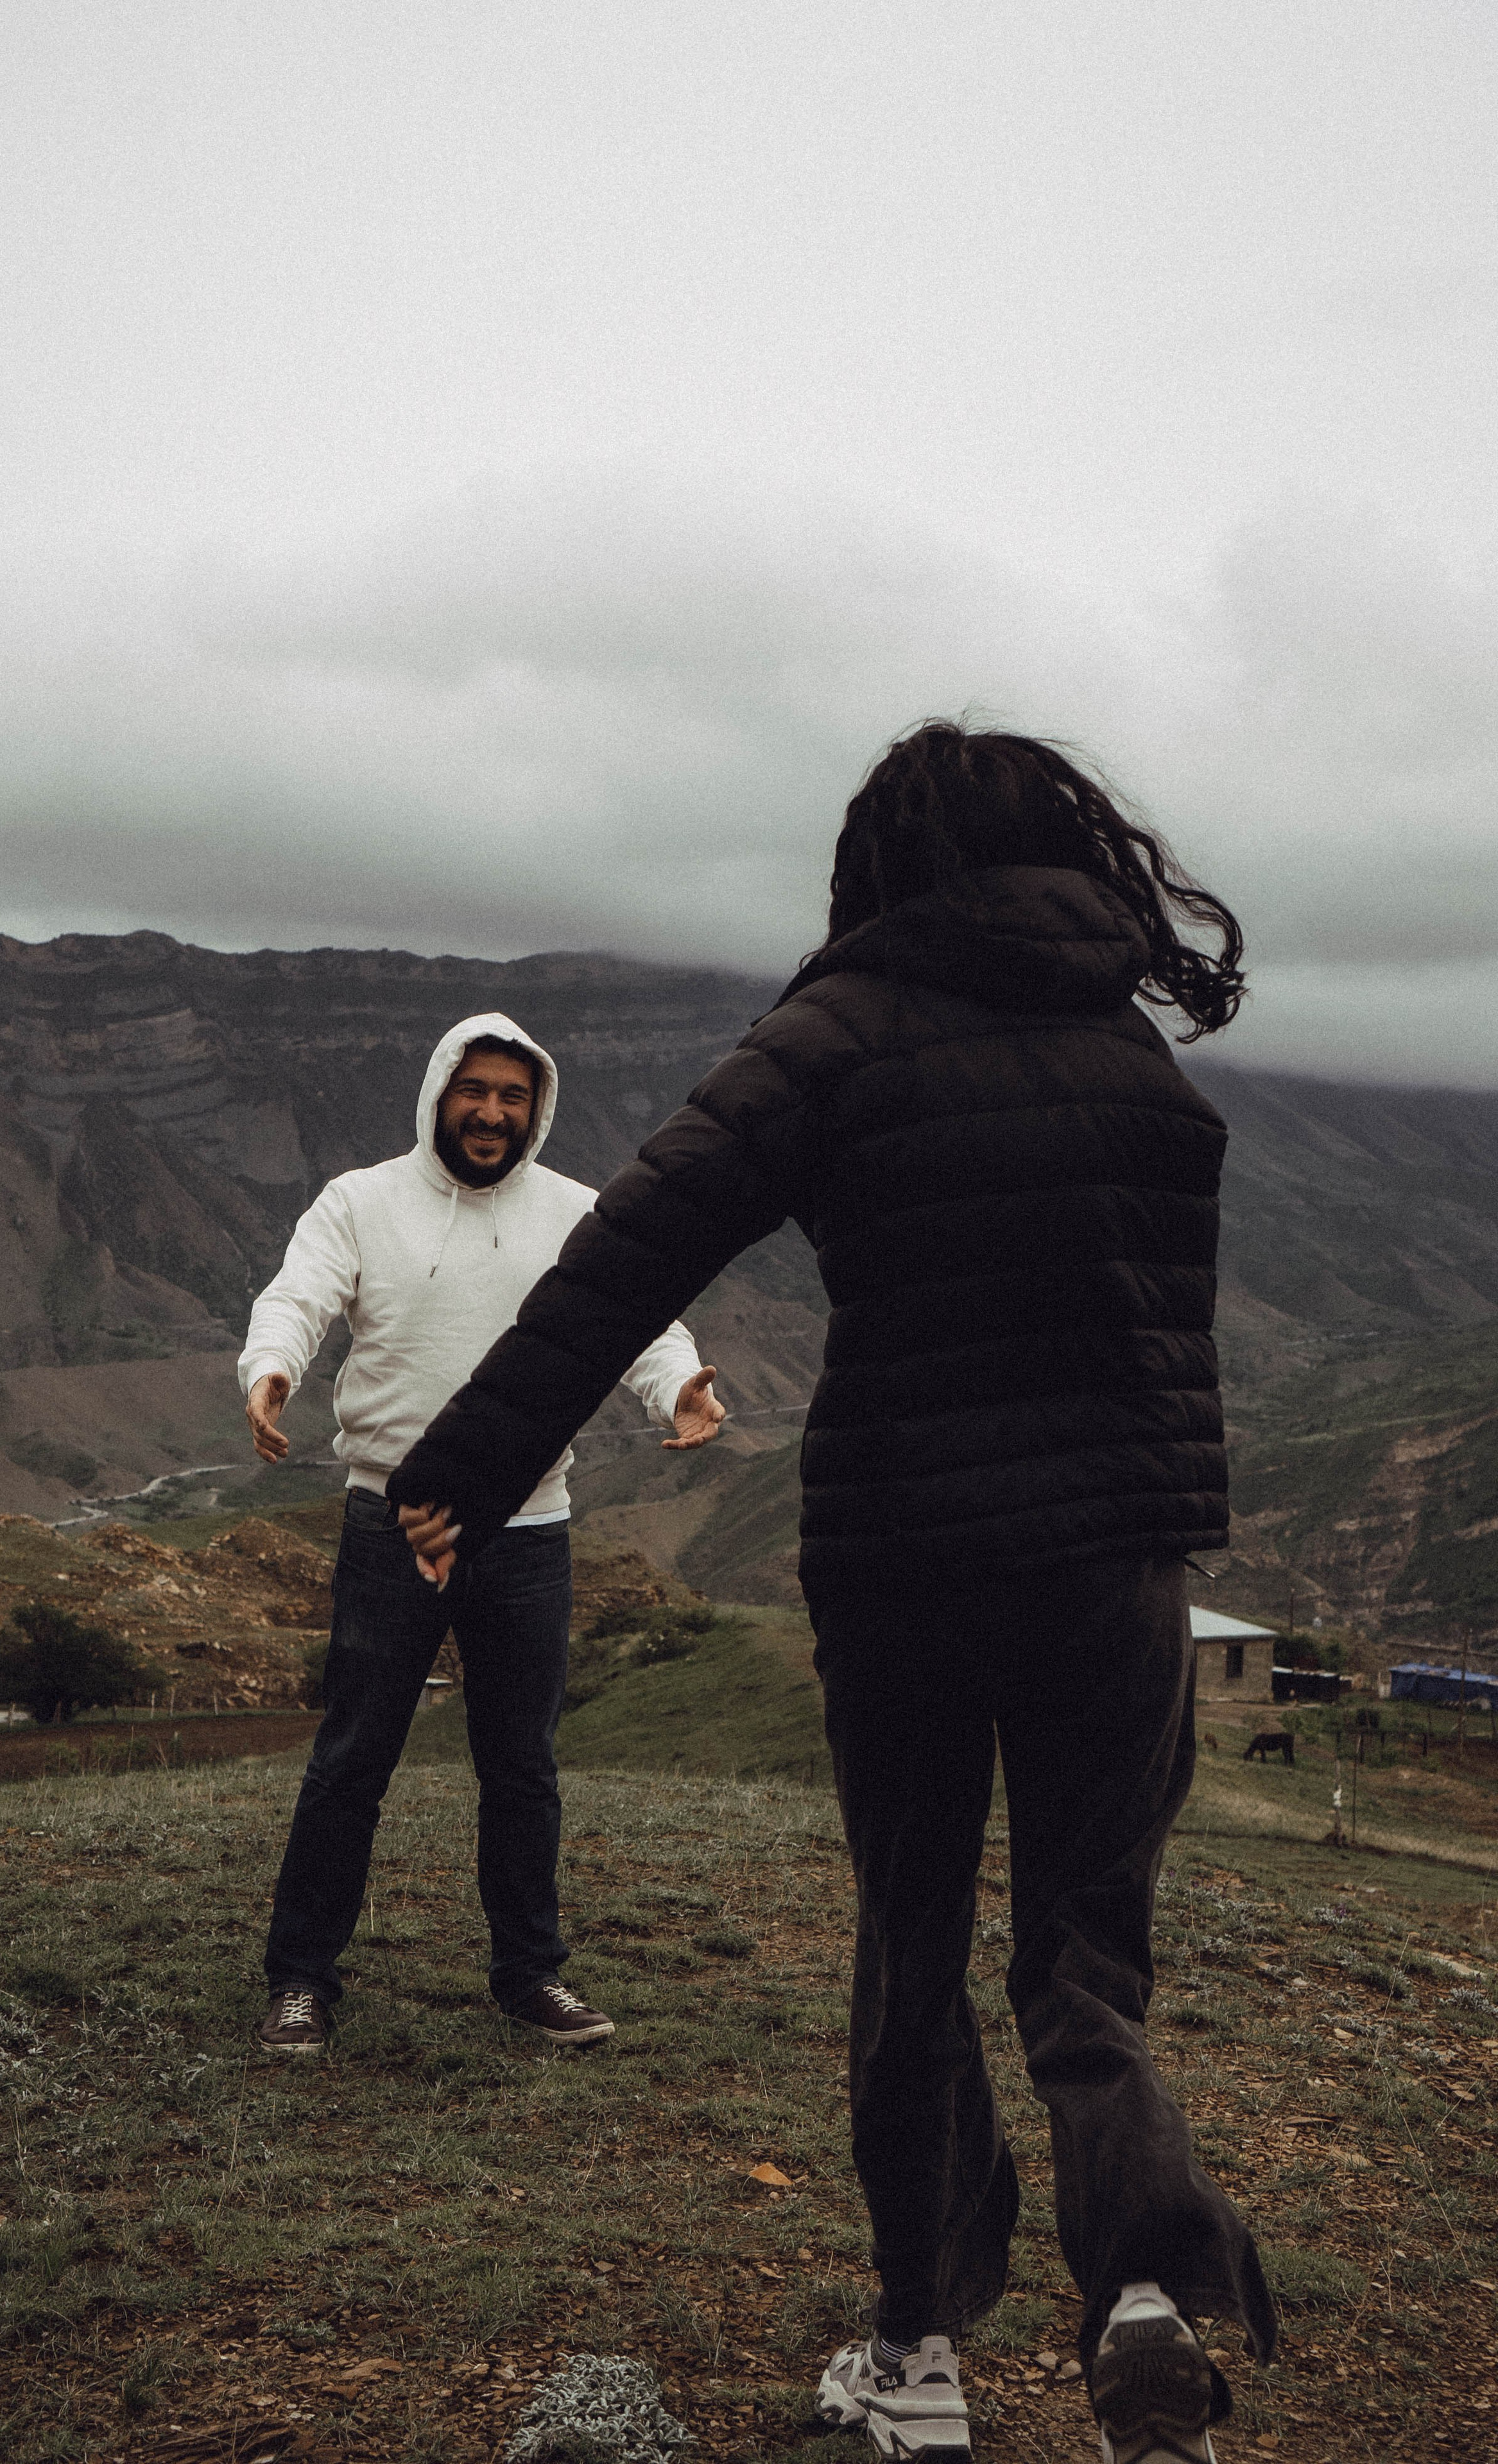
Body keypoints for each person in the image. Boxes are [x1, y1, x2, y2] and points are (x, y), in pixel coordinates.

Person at [388, 730, 1275, 2464]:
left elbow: (625, 1255)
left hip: (909, 1565)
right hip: (1121, 1563)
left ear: (886, 866)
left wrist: (464, 1470)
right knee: (1086, 1964)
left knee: (917, 1950)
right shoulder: (1134, 1054)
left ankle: (920, 2358)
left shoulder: (837, 1033)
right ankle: (1147, 2295)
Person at [239, 1013, 725, 2057]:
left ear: (537, 1106)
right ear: (438, 1096)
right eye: (476, 1092)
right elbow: (299, 1295)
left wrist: (678, 1385)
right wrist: (269, 1369)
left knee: (521, 1766)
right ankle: (300, 1981)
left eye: (514, 1096)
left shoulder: (576, 1212)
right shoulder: (360, 1202)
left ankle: (530, 1977)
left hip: (527, 1527)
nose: (494, 1113)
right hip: (391, 1517)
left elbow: (636, 1318)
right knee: (353, 1758)